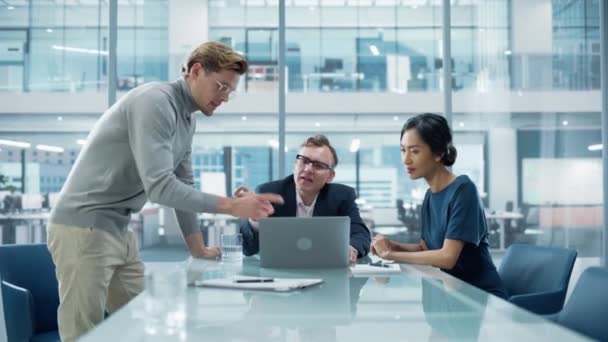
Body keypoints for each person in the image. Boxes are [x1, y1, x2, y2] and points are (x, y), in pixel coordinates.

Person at [47, 42, 284, 341]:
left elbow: (183, 184)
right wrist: (232, 207)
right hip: (83, 226)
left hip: (118, 230)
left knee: (146, 326)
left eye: (230, 91)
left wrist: (197, 248)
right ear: (196, 71)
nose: (224, 97)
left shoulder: (187, 119)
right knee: (85, 333)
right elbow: (160, 188)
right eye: (221, 86)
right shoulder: (155, 101)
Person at [371, 113, 507, 298]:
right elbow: (426, 250)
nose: (406, 159)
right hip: (451, 292)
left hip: (480, 297)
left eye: (415, 151)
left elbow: (446, 258)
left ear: (439, 153)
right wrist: (392, 245)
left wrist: (391, 255)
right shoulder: (429, 196)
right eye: (403, 150)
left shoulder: (463, 190)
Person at [236, 135, 371, 263]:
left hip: (325, 273)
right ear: (295, 165)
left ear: (330, 176)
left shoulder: (342, 196)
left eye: (318, 165)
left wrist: (352, 248)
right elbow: (247, 249)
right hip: (279, 274)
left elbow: (360, 234)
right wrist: (254, 221)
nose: (308, 169)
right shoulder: (269, 193)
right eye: (304, 161)